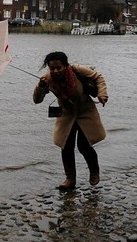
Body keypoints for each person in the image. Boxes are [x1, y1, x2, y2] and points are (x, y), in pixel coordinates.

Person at [33, 51, 108, 190]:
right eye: (52, 68)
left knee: (84, 146)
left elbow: (98, 77)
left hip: (86, 112)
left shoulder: (77, 70)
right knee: (66, 146)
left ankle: (94, 170)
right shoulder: (47, 79)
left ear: (65, 65)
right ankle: (70, 179)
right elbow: (37, 100)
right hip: (66, 115)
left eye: (59, 67)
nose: (55, 71)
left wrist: (102, 94)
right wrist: (41, 87)